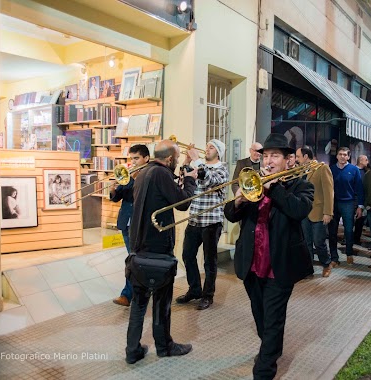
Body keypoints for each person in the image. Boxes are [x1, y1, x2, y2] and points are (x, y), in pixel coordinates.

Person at [224, 133, 314, 380]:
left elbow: (299, 210)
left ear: (288, 160)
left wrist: (273, 190)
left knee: (273, 317)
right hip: (251, 262)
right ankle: (271, 349)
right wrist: (239, 201)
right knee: (260, 315)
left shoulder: (301, 185)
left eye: (275, 155)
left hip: (279, 264)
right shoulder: (253, 184)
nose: (268, 160)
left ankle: (264, 369)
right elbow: (231, 215)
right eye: (266, 156)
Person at [125, 140, 198, 364]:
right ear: (168, 159)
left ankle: (132, 350)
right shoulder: (161, 174)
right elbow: (183, 203)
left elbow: (165, 192)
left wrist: (184, 167)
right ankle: (164, 346)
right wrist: (191, 180)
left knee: (138, 304)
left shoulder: (144, 173)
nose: (176, 161)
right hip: (157, 251)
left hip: (139, 249)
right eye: (175, 158)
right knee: (161, 302)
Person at [176, 139, 229, 310]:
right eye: (206, 146)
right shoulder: (198, 165)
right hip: (194, 218)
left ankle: (208, 295)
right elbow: (183, 182)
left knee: (209, 261)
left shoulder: (222, 168)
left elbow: (210, 180)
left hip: (212, 221)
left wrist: (197, 161)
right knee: (187, 255)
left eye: (211, 147)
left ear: (219, 152)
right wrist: (186, 162)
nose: (207, 149)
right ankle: (195, 290)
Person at [110, 145, 150, 307]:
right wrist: (113, 189)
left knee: (133, 260)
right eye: (131, 158)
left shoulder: (148, 175)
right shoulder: (127, 176)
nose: (132, 162)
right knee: (134, 259)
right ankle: (140, 290)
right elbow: (117, 197)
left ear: (146, 158)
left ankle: (128, 294)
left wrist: (135, 178)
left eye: (136, 158)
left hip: (140, 223)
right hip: (126, 222)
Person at [295, 146, 334, 277]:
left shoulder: (322, 168)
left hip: (318, 212)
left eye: (298, 156)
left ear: (306, 156)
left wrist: (328, 212)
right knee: (306, 242)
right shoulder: (301, 171)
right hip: (304, 212)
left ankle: (326, 264)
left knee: (319, 242)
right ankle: (308, 268)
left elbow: (329, 192)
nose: (296, 159)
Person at [328, 147, 364, 265]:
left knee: (348, 230)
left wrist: (360, 206)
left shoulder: (354, 170)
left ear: (348, 157)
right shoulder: (331, 169)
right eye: (340, 154)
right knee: (332, 231)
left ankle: (349, 253)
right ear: (337, 156)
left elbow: (359, 188)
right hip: (333, 203)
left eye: (345, 155)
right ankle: (334, 257)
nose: (342, 156)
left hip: (348, 203)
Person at [353, 154, 369, 248]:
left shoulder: (366, 172)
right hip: (352, 198)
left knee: (360, 220)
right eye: (366, 160)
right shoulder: (354, 170)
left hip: (362, 199)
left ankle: (356, 238)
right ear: (361, 161)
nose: (367, 162)